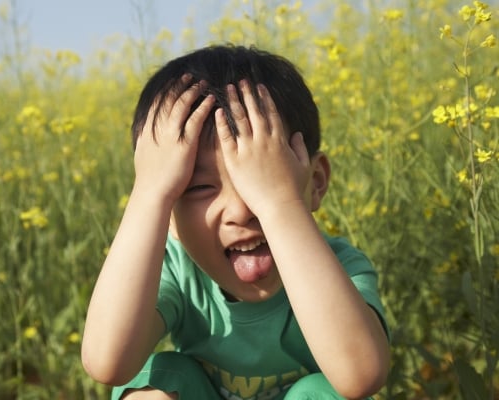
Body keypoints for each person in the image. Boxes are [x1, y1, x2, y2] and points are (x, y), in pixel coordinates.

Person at [81, 44, 390, 400]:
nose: (241, 211)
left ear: (315, 182)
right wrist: (150, 194)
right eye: (197, 187)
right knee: (158, 383)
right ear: (168, 215)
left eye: (261, 181)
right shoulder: (180, 274)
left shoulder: (341, 270)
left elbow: (362, 375)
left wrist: (281, 205)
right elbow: (108, 362)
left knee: (321, 391)